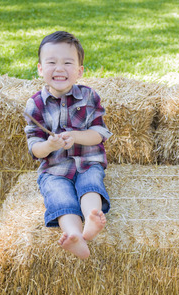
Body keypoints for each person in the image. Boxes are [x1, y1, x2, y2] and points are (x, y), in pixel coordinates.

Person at [24, 31, 112, 259]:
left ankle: (92, 217)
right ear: (40, 69)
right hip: (54, 170)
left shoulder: (89, 96)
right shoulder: (35, 104)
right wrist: (50, 145)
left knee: (91, 182)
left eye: (67, 62)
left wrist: (76, 136)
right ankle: (74, 235)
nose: (59, 68)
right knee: (59, 195)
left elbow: (99, 134)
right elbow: (34, 147)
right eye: (51, 62)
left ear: (80, 71)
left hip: (87, 162)